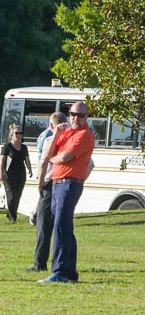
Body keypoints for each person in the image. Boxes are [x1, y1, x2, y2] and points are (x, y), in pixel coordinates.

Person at [40, 101, 95, 283]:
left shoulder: (85, 135)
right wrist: (56, 134)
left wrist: (51, 159)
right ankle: (70, 273)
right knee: (65, 227)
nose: (75, 118)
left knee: (61, 227)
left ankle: (60, 271)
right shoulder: (66, 133)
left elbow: (64, 157)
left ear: (87, 116)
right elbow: (49, 151)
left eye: (80, 115)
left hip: (70, 184)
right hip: (57, 183)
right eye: (72, 114)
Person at [27, 112, 67, 272]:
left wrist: (40, 183)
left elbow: (44, 162)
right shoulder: (72, 140)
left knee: (44, 226)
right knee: (63, 226)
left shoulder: (49, 139)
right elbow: (90, 163)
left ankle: (40, 263)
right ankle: (62, 262)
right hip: (66, 185)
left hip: (50, 184)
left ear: (51, 126)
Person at [0, 124, 32, 222]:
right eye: (17, 133)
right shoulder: (7, 146)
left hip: (21, 174)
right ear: (12, 135)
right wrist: (1, 173)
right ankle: (13, 218)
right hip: (8, 174)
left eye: (20, 133)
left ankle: (11, 214)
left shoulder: (24, 147)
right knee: (11, 196)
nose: (19, 135)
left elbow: (27, 160)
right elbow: (2, 161)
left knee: (17, 196)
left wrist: (30, 169)